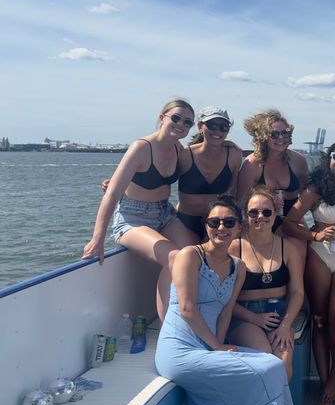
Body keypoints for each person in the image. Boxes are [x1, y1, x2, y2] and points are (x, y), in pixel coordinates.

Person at [154, 195, 293, 405]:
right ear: (205, 226)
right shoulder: (190, 255)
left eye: (229, 223)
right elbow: (187, 309)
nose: (221, 228)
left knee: (275, 366)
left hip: (207, 346)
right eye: (214, 222)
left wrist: (216, 345)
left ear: (239, 227)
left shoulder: (237, 267)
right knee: (270, 367)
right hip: (179, 350)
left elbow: (226, 312)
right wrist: (217, 347)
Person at [83, 99, 196, 320]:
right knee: (175, 258)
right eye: (175, 118)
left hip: (165, 214)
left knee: (193, 257)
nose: (181, 124)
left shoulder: (178, 148)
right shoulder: (141, 147)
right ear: (162, 118)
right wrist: (97, 239)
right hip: (133, 217)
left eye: (187, 122)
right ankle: (168, 332)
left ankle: (187, 318)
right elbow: (113, 195)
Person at [281, 141, 335, 405]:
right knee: (320, 319)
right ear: (329, 159)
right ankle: (325, 380)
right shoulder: (315, 190)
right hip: (320, 255)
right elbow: (287, 223)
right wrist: (315, 235)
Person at [229, 185, 306, 381]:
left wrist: (285, 325)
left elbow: (297, 292)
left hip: (278, 314)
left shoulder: (287, 248)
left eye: (266, 211)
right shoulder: (234, 248)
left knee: (283, 361)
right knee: (264, 356)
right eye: (253, 212)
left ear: (274, 215)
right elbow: (224, 298)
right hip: (244, 315)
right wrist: (254, 318)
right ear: (246, 215)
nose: (260, 216)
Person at [176, 106, 243, 241]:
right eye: (212, 125)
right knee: (189, 256)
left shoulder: (234, 155)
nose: (217, 131)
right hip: (186, 222)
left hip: (218, 223)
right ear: (201, 126)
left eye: (223, 127)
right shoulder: (185, 155)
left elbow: (233, 192)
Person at [237, 109, 309, 222]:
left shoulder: (298, 160)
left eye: (285, 132)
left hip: (292, 219)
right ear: (263, 137)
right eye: (274, 134)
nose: (280, 138)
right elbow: (241, 203)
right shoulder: (252, 164)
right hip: (261, 220)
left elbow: (305, 196)